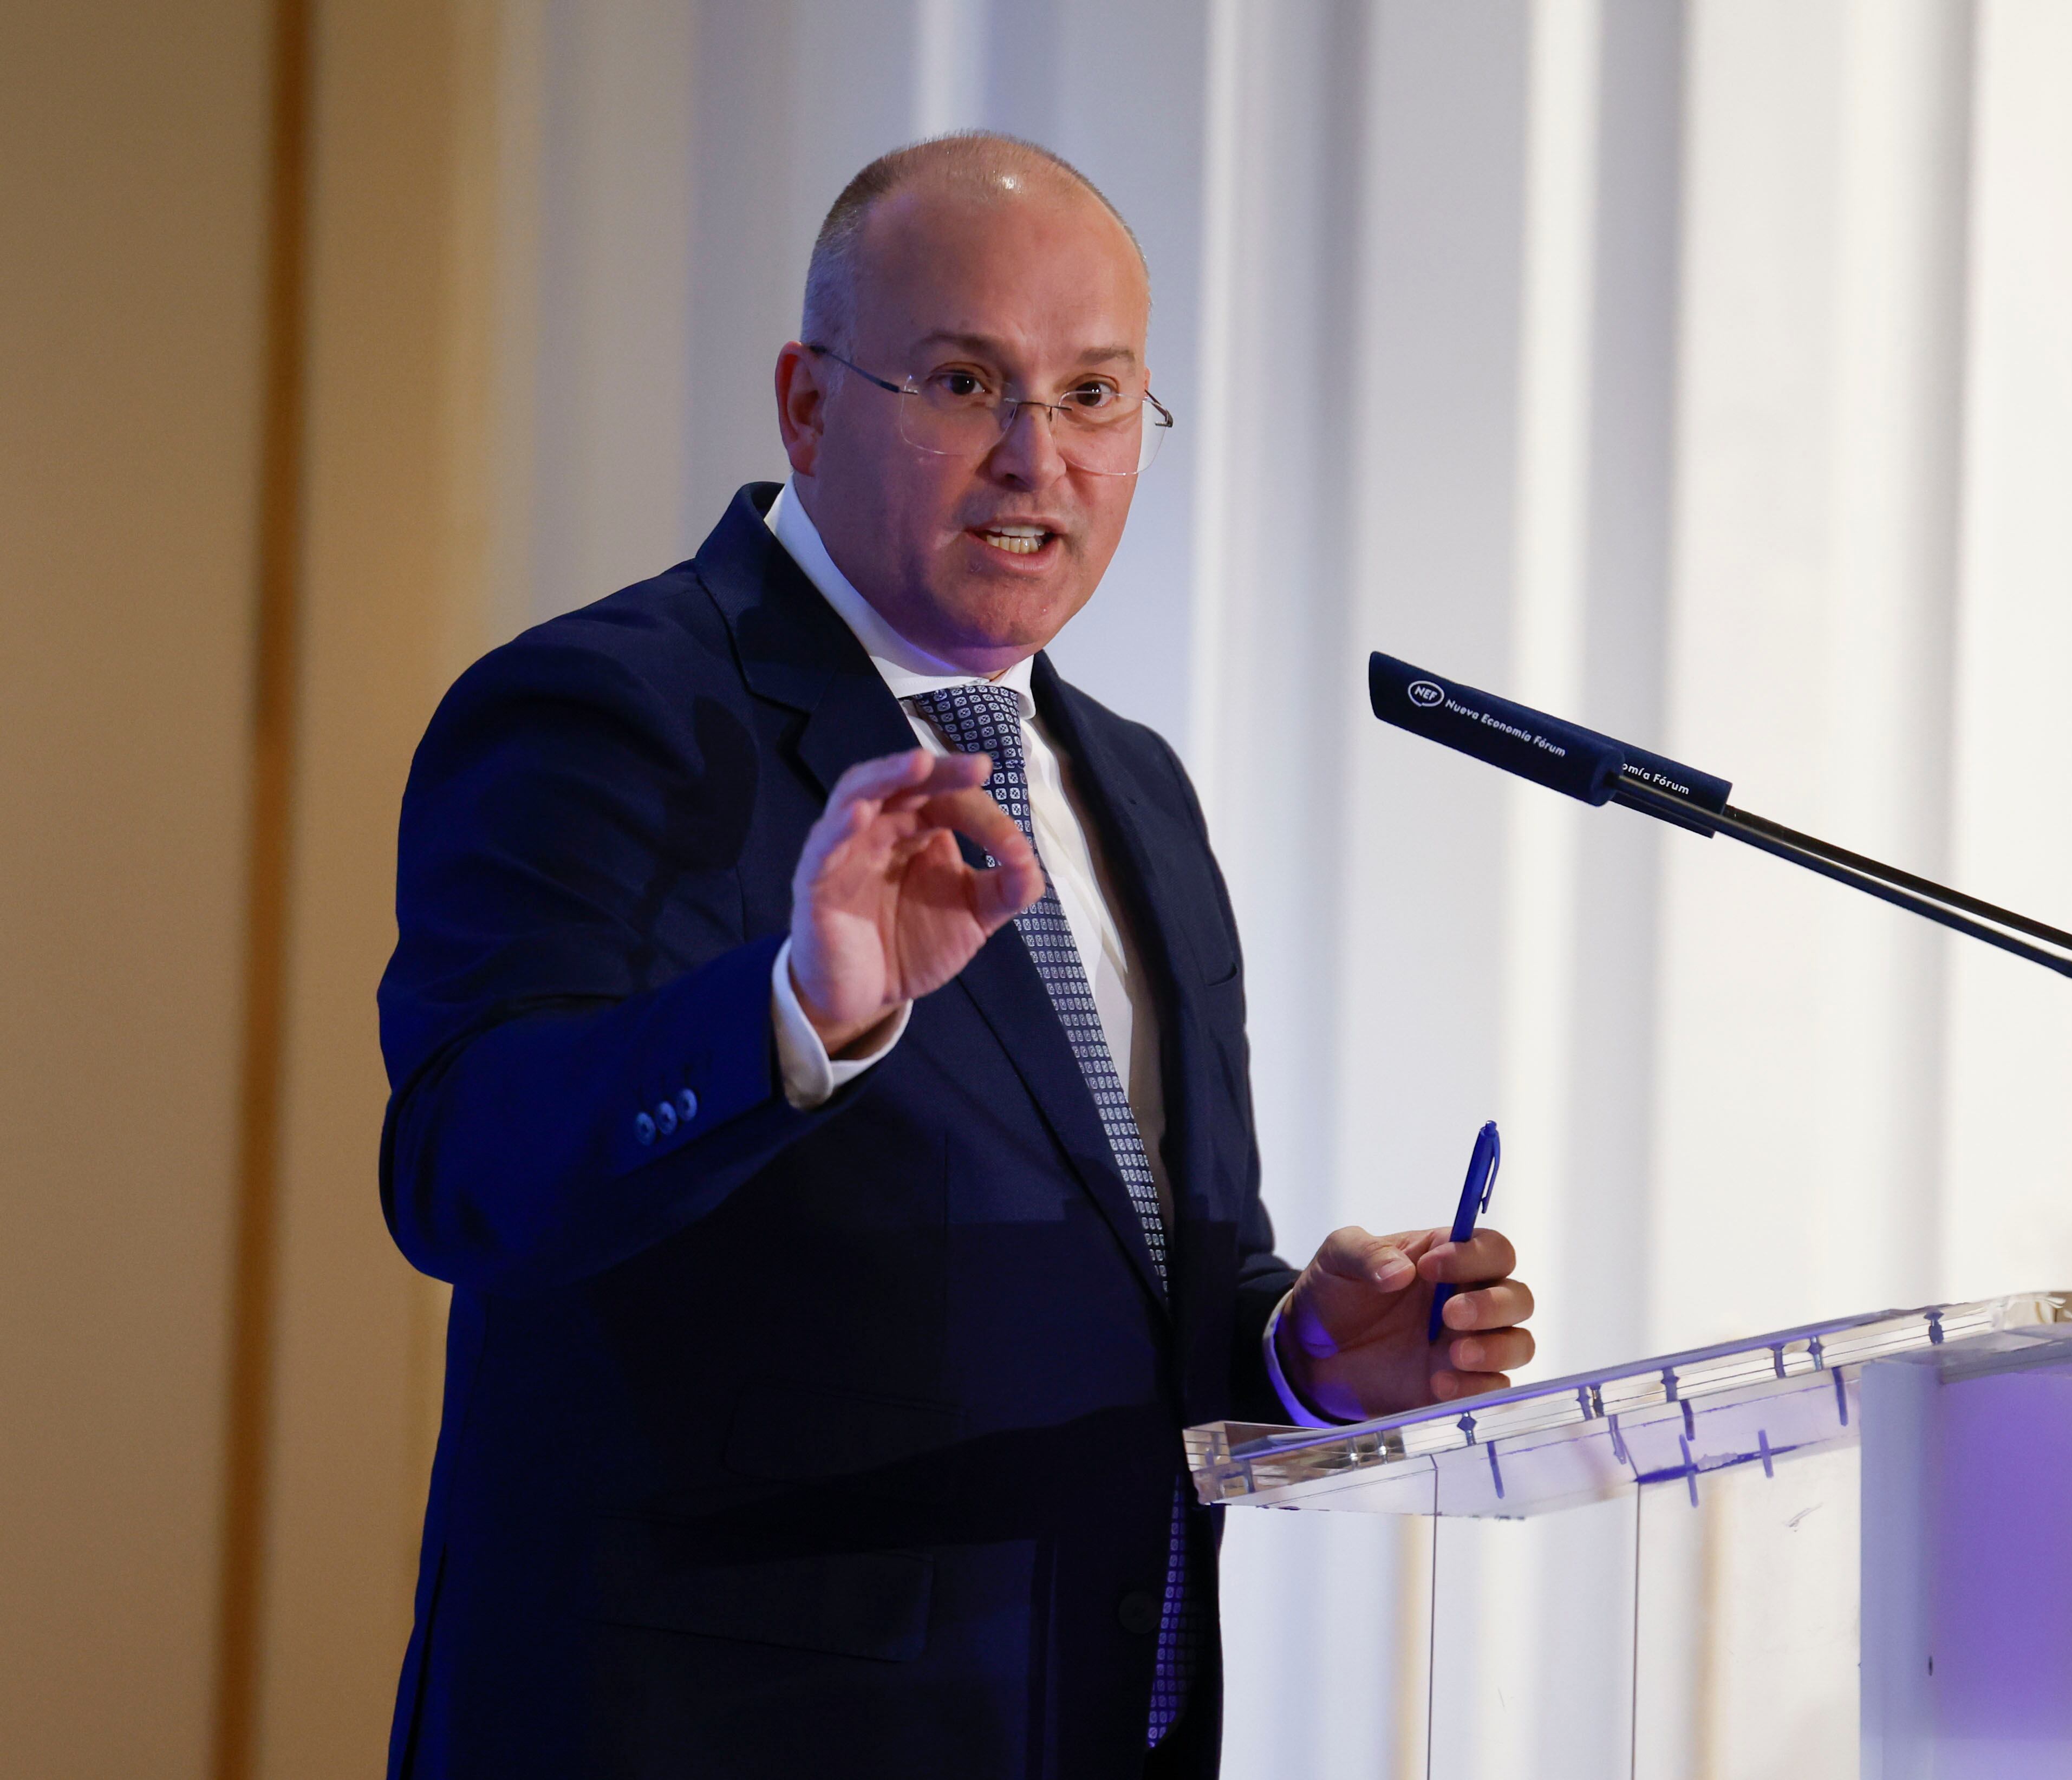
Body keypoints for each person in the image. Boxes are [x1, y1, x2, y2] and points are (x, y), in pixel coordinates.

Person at [376, 132, 1538, 1779]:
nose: (1034, 458)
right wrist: (798, 1016)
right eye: (966, 382)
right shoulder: (610, 714)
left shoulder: (1133, 784)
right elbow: (465, 1177)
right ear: (807, 405)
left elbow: (1122, 1296)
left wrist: (1305, 1357)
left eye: (1094, 396)